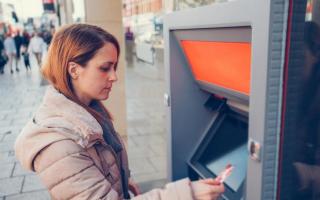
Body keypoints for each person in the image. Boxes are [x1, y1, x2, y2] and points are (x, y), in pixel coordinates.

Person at [14, 24, 224, 200]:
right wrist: (187, 194)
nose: (114, 77)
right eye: (105, 68)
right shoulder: (59, 145)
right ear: (74, 70)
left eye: (115, 67)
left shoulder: (89, 112)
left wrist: (120, 182)